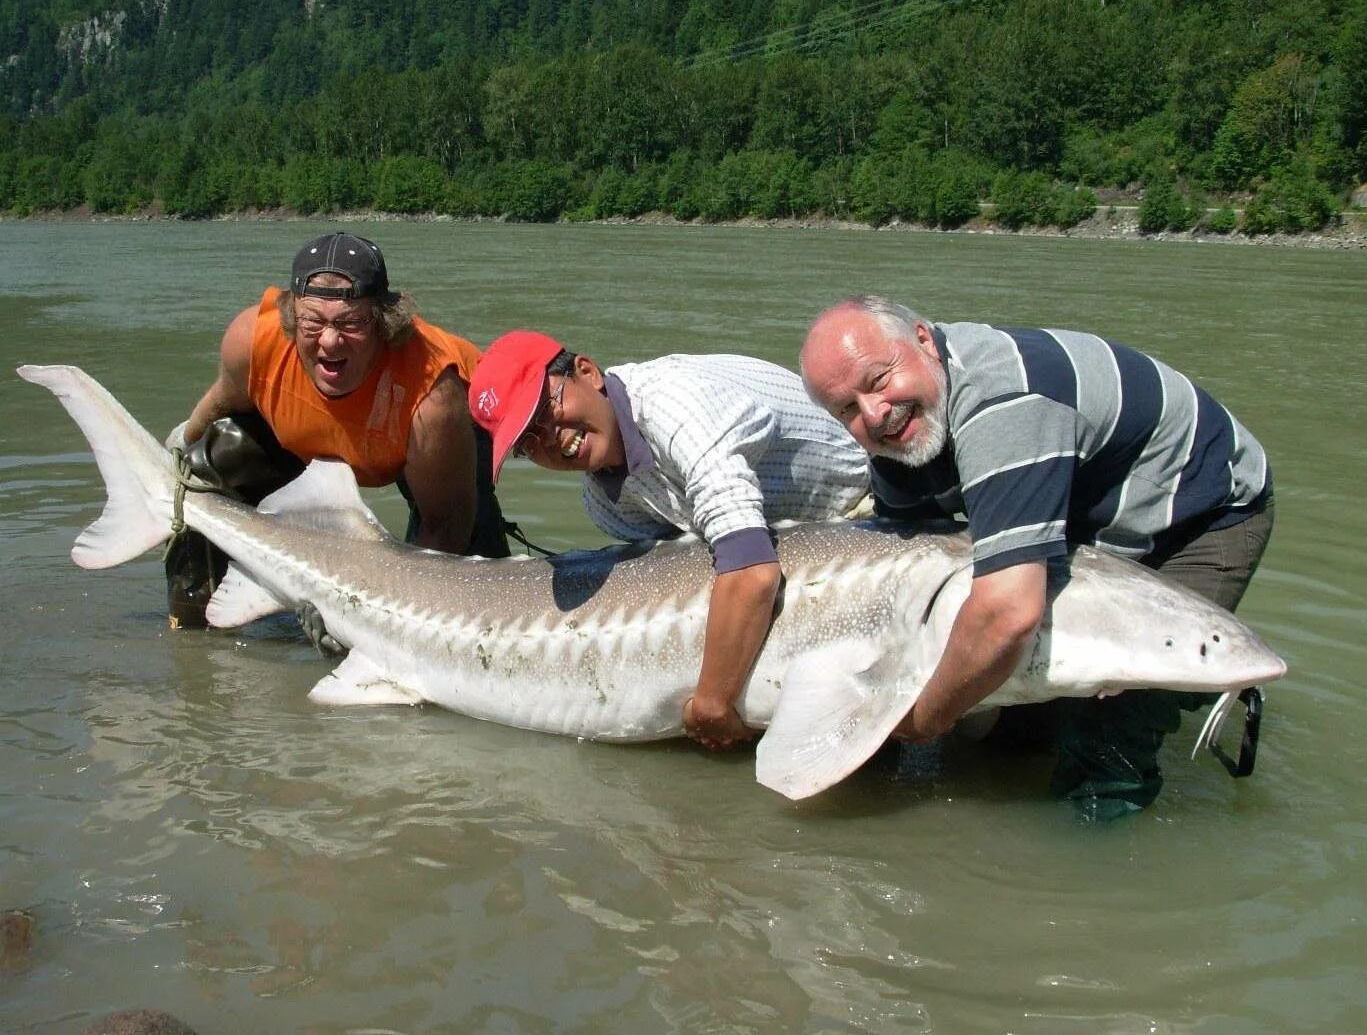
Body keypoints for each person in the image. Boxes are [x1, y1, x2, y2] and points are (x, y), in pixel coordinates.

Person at [799, 295, 1274, 818]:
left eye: (878, 379)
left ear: (923, 340)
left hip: (1197, 508)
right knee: (1010, 718)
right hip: (1074, 500)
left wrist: (924, 721)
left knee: (1115, 721)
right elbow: (910, 567)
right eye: (847, 408)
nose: (873, 413)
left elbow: (1007, 612)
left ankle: (1091, 856)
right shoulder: (898, 433)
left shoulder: (1007, 404)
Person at [467, 331, 872, 751]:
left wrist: (712, 706)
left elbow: (751, 572)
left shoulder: (674, 407)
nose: (549, 437)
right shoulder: (606, 503)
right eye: (527, 440)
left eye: (545, 408)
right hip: (780, 542)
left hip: (865, 515)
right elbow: (695, 566)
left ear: (587, 373)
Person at [167, 231, 510, 633]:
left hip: (432, 447)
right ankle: (194, 625)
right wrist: (171, 473)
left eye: (351, 322)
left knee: (474, 595)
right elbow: (214, 411)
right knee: (209, 461)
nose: (330, 341)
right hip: (304, 440)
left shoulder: (433, 395)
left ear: (385, 322)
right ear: (292, 316)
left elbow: (445, 527)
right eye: (313, 320)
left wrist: (370, 624)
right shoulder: (253, 341)